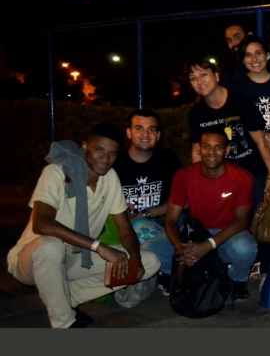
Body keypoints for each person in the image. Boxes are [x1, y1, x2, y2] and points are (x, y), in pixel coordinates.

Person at [7, 123, 160, 328]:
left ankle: (62, 300)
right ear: (85, 145)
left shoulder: (110, 178)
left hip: (78, 258)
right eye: (99, 150)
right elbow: (42, 224)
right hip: (33, 260)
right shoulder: (57, 172)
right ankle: (64, 322)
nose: (105, 159)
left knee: (150, 262)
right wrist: (99, 247)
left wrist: (135, 259)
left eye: (112, 153)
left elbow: (124, 228)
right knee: (51, 246)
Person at [145, 130, 258, 299]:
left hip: (228, 235)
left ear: (227, 150)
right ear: (199, 149)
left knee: (246, 248)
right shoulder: (184, 175)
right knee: (150, 249)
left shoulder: (242, 177)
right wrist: (181, 249)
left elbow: (241, 221)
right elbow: (171, 219)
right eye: (206, 146)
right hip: (196, 233)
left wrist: (207, 246)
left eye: (218, 147)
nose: (211, 152)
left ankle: (237, 280)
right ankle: (185, 275)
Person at [185, 56, 270, 211]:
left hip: (252, 170)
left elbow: (260, 141)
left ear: (216, 76)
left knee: (257, 216)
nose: (199, 81)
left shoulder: (240, 103)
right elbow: (197, 151)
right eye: (193, 78)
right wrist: (198, 182)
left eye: (204, 74)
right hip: (222, 174)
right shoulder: (197, 113)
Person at [228, 36, 270, 192]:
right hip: (251, 155)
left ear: (267, 55)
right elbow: (234, 123)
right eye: (248, 55)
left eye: (258, 53)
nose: (254, 59)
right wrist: (267, 137)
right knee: (256, 200)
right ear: (242, 60)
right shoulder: (235, 89)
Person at [113, 109, 182, 225]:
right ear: (129, 133)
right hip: (125, 223)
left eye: (151, 129)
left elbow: (183, 200)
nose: (145, 134)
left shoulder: (168, 159)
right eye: (139, 128)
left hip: (161, 220)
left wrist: (144, 214)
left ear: (158, 135)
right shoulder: (115, 162)